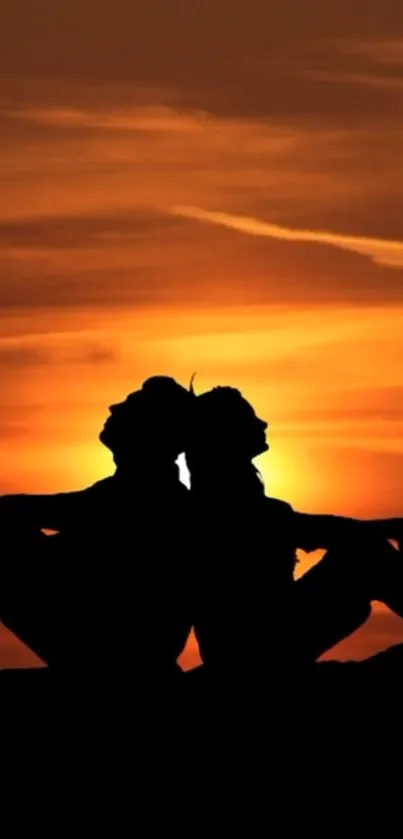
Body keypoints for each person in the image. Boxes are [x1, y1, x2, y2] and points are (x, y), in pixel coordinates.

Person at [185, 385, 403, 679]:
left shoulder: (244, 502)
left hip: (265, 637)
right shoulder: (221, 505)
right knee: (366, 552)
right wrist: (389, 529)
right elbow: (312, 530)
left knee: (365, 549)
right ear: (228, 434)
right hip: (253, 649)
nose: (262, 424)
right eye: (249, 419)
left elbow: (305, 528)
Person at [0, 376, 194, 685]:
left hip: (122, 653)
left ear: (149, 428)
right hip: (109, 644)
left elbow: (58, 513)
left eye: (129, 407)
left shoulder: (149, 494)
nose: (113, 407)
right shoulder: (125, 490)